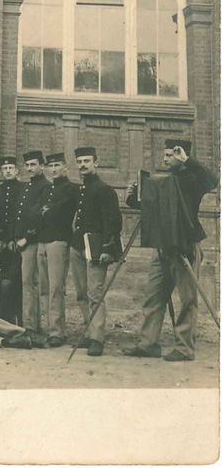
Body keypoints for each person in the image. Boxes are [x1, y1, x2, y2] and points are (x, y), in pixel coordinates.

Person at [124, 139, 218, 361]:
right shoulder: (166, 181)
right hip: (163, 245)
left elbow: (212, 180)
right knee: (153, 295)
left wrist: (189, 160)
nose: (164, 159)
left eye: (169, 155)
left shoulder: (194, 180)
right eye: (165, 155)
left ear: (181, 155)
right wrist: (133, 198)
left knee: (187, 299)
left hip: (185, 245)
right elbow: (154, 209)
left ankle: (185, 348)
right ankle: (149, 343)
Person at [66, 146, 124, 357]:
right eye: (80, 162)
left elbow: (113, 222)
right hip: (78, 245)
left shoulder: (104, 189)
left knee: (95, 293)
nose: (83, 165)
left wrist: (109, 249)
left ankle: (97, 338)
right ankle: (89, 331)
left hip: (97, 247)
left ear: (96, 164)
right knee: (82, 293)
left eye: (87, 161)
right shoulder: (82, 189)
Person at [35, 152, 79, 347]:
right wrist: (45, 211)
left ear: (65, 168)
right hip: (42, 241)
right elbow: (35, 211)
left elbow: (61, 210)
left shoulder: (72, 189)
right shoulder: (46, 189)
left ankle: (57, 332)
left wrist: (48, 210)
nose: (53, 169)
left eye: (57, 165)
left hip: (59, 242)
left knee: (55, 288)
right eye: (50, 166)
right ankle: (49, 327)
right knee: (44, 288)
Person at [13, 150, 51, 335]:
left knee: (30, 282)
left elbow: (40, 218)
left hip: (32, 241)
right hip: (21, 241)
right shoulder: (26, 187)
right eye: (27, 165)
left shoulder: (45, 187)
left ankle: (31, 326)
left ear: (42, 166)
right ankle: (30, 324)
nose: (30, 168)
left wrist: (26, 238)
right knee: (26, 282)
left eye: (33, 165)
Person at [0, 156, 23, 240]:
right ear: (1, 172)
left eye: (10, 168)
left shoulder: (24, 188)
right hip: (1, 234)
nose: (8, 171)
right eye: (4, 168)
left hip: (18, 234)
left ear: (16, 171)